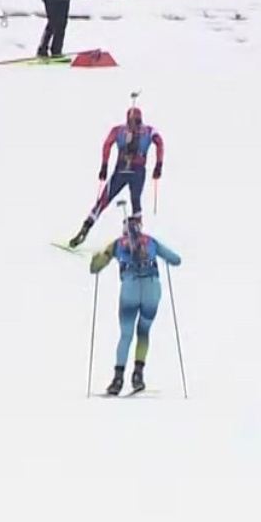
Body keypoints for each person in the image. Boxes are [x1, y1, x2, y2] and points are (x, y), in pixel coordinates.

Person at [88, 212, 182, 396]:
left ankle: (118, 379)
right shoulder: (151, 242)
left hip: (129, 289)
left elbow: (95, 267)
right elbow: (176, 260)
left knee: (126, 334)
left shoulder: (117, 245)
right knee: (143, 332)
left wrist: (97, 256)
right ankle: (138, 375)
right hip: (152, 290)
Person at [68, 102, 164, 247]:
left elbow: (107, 144)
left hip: (123, 170)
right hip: (135, 170)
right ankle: (134, 234)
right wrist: (159, 165)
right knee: (134, 201)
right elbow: (159, 142)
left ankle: (85, 230)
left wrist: (104, 166)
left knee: (106, 200)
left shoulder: (119, 130)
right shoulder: (148, 130)